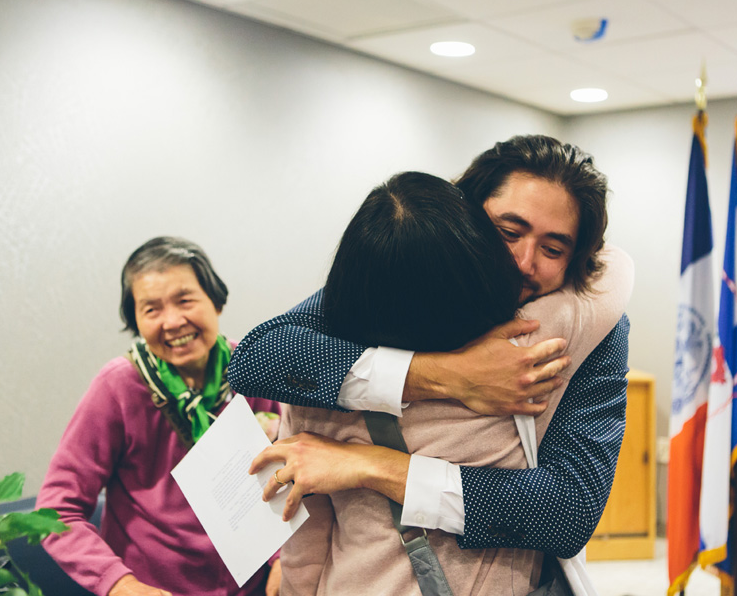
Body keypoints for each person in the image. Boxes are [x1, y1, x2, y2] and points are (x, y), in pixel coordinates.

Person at [228, 135, 631, 559]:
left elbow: (568, 510)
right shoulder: (422, 269)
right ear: (466, 214)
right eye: (508, 232)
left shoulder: (597, 327)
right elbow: (260, 355)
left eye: (552, 249)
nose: (523, 262)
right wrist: (445, 375)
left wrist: (371, 466)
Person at [36, 237, 282, 596]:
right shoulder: (117, 387)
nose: (172, 322)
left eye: (185, 301)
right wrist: (120, 585)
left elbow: (284, 479)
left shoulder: (250, 371)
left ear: (215, 300)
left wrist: (281, 559)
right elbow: (55, 511)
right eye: (151, 309)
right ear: (135, 320)